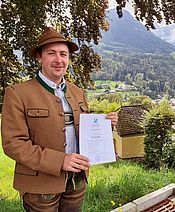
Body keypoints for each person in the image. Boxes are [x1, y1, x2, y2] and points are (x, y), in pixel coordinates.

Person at [1, 27, 118, 212]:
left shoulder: (77, 91)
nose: (58, 60)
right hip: (40, 188)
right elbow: (13, 144)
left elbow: (84, 132)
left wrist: (105, 126)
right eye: (51, 53)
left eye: (63, 54)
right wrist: (59, 161)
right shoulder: (17, 93)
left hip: (76, 181)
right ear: (40, 56)